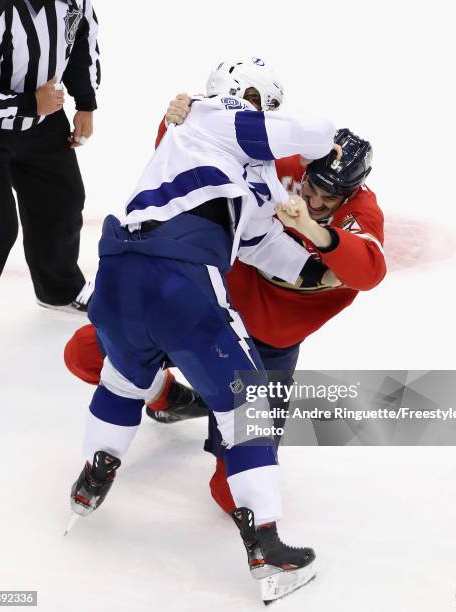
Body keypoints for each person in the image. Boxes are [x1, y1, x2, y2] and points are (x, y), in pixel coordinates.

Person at [68, 58, 337, 603]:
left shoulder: (238, 171)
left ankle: (95, 474)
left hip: (118, 268)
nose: (264, 110)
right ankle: (267, 548)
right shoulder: (215, 115)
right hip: (178, 276)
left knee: (123, 378)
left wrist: (327, 268)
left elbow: (267, 249)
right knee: (248, 404)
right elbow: (303, 135)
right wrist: (340, 142)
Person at [0, 0, 100, 383]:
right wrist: (29, 103)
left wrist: (85, 103)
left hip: (40, 123)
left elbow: (80, 39)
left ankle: (58, 289)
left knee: (63, 199)